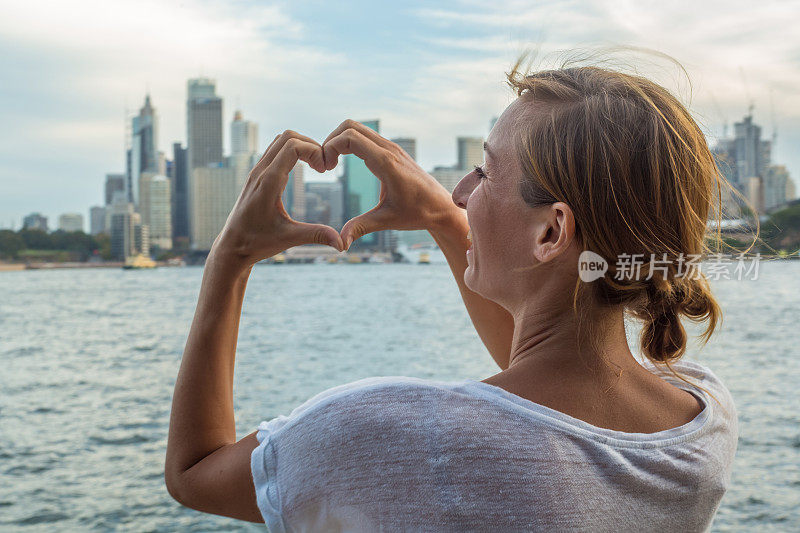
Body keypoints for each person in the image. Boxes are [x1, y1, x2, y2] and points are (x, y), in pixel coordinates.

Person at [165, 57, 738, 532]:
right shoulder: (700, 422)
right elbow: (540, 391)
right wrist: (442, 217)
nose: (461, 193)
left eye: (485, 174)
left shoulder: (380, 435)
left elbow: (195, 473)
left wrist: (230, 257)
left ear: (551, 232)